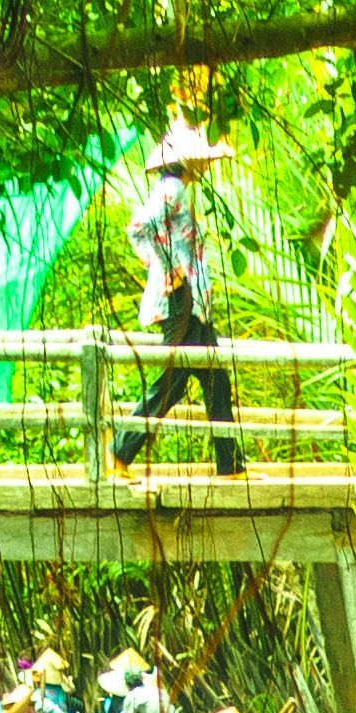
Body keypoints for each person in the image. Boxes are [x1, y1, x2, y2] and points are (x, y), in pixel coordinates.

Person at [110, 119, 244, 478]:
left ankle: (230, 465)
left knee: (216, 382)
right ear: (190, 159)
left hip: (194, 303)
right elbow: (140, 226)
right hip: (181, 300)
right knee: (171, 383)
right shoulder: (173, 189)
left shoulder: (178, 188)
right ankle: (119, 452)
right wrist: (169, 268)